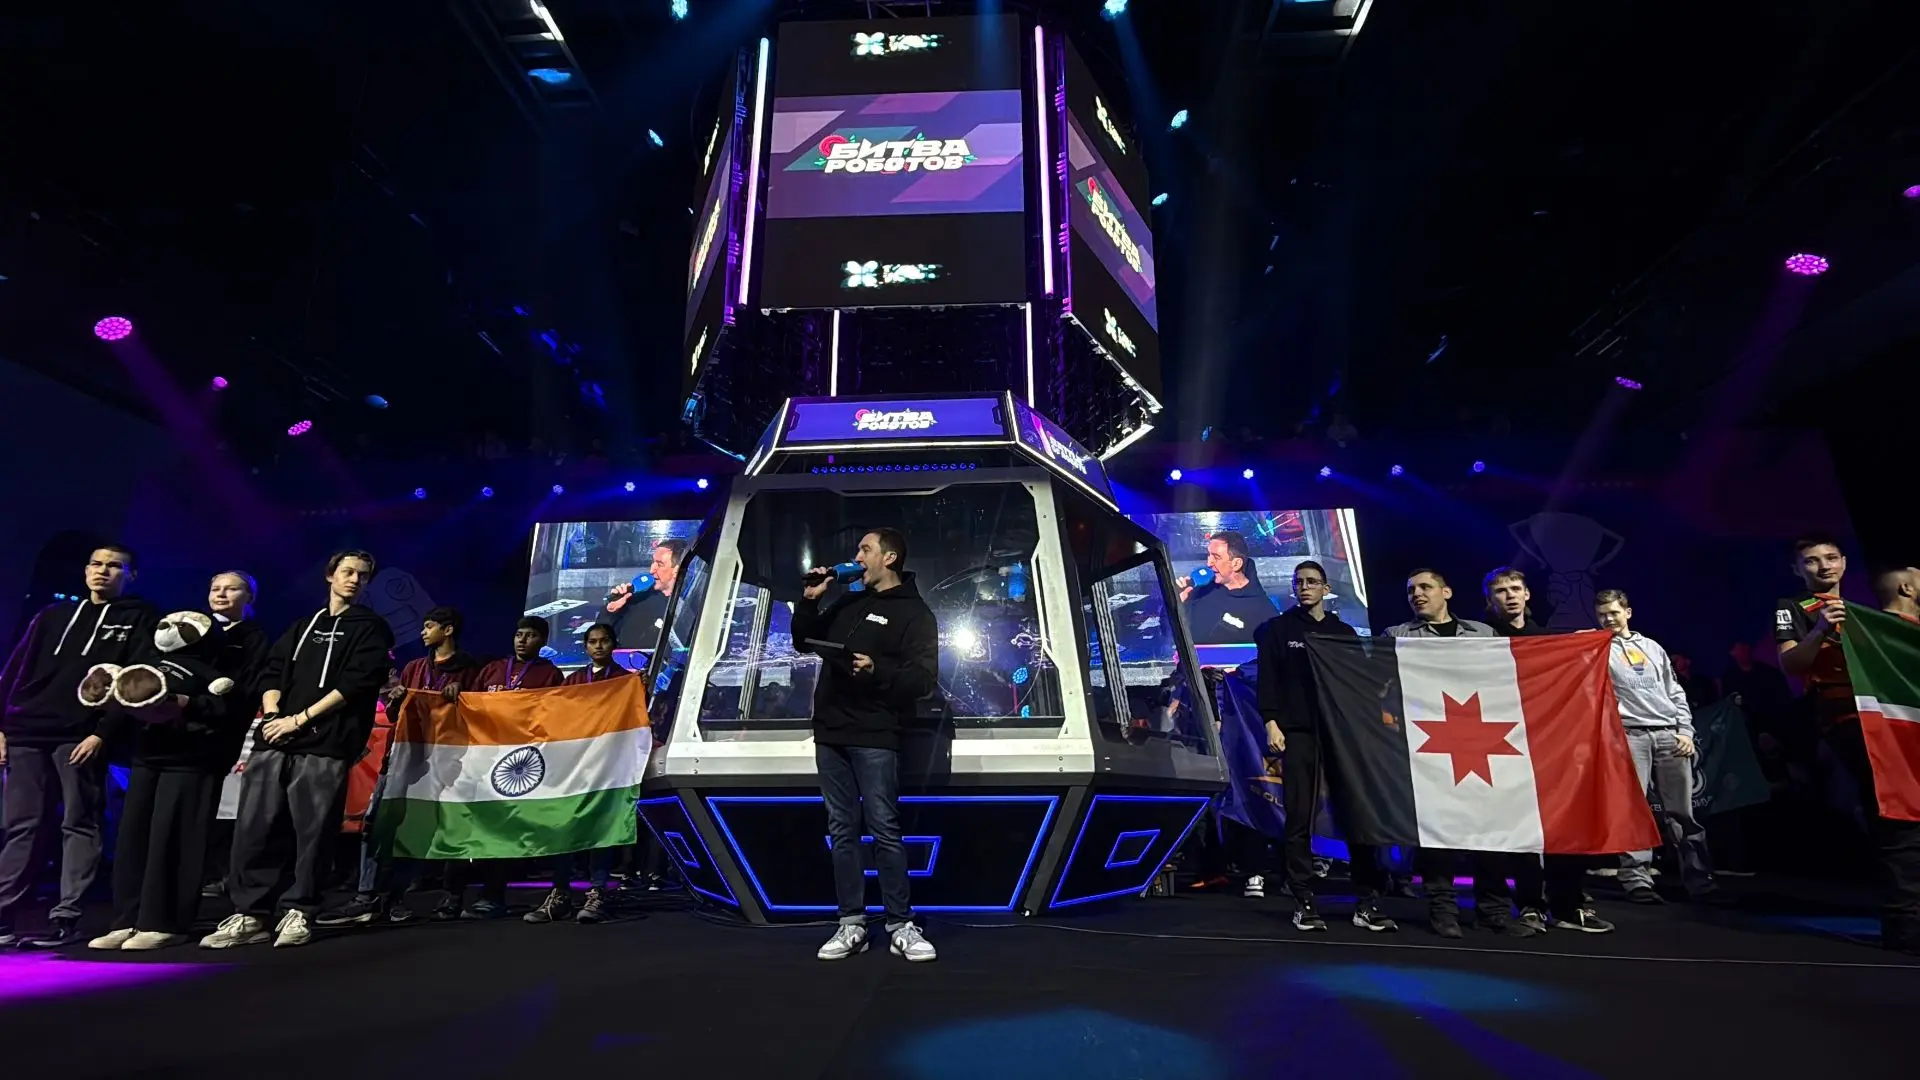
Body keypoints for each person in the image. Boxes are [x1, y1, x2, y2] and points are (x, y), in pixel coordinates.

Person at [202, 550, 394, 949]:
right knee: (255, 828)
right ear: (330, 575)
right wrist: (274, 715)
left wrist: (300, 719)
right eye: (347, 572)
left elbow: (357, 682)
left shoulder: (371, 628)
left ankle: (299, 909)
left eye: (362, 575)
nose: (354, 579)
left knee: (313, 832)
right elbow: (272, 672)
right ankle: (251, 913)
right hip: (275, 738)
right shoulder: (303, 624)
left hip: (326, 742)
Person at [87, 572, 271, 952]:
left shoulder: (251, 641)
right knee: (134, 835)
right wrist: (106, 727)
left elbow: (236, 699)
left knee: (176, 835)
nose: (221, 594)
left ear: (250, 597)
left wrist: (189, 705)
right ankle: (129, 918)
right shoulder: (171, 639)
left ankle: (165, 921)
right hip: (150, 750)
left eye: (232, 588)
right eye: (215, 587)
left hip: (196, 753)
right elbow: (134, 684)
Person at [0, 544, 159, 948]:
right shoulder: (52, 615)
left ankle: (66, 916)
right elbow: (14, 670)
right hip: (25, 731)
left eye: (114, 566)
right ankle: (4, 913)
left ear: (131, 575)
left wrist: (103, 732)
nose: (102, 571)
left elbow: (135, 682)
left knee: (79, 821)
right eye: (95, 564)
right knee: (22, 824)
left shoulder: (139, 617)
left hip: (81, 734)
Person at [794, 528, 940, 963]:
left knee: (884, 830)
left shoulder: (914, 613)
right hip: (831, 732)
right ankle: (851, 922)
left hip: (876, 733)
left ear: (889, 558)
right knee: (842, 830)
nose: (857, 557)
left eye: (865, 549)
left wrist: (878, 671)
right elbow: (803, 641)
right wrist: (810, 600)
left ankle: (900, 924)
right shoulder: (848, 601)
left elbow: (923, 679)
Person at [1775, 537, 1920, 954]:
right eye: (1811, 561)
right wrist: (1822, 629)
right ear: (1797, 569)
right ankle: (1904, 922)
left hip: (1892, 721)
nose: (1824, 566)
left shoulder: (1864, 614)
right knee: (1894, 812)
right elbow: (1790, 663)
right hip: (1848, 720)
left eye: (1831, 558)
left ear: (1843, 562)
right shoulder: (1794, 608)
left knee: (1899, 809)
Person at [318, 607, 484, 928]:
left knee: (418, 828)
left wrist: (462, 698)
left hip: (443, 763)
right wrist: (396, 700)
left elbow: (479, 717)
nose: (423, 632)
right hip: (398, 758)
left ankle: (397, 898)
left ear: (448, 630)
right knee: (375, 823)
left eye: (429, 626)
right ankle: (366, 895)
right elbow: (396, 716)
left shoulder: (469, 670)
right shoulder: (413, 668)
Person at [1254, 560, 1396, 933]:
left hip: (1341, 733)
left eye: (1311, 582)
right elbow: (1268, 680)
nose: (1304, 587)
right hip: (1298, 732)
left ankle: (1366, 901)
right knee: (1299, 816)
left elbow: (1359, 682)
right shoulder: (1277, 629)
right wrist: (1271, 722)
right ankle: (1303, 899)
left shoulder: (1342, 632)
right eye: (1299, 582)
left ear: (1325, 588)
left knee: (1357, 814)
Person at [1386, 569, 1528, 937]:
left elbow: (1504, 682)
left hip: (1482, 741)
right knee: (1438, 832)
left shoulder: (1483, 634)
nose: (1417, 594)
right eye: (1411, 590)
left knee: (1490, 828)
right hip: (1428, 745)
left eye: (1425, 587)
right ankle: (1443, 909)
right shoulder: (1398, 636)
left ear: (1446, 592)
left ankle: (1494, 911)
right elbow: (1382, 688)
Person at [1481, 568, 1614, 934]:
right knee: (1520, 832)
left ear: (1527, 595)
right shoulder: (1480, 643)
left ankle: (1567, 906)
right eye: (1500, 590)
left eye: (1515, 588)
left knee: (1563, 825)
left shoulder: (1548, 641)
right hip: (1502, 747)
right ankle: (1529, 905)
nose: (1509, 595)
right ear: (1489, 600)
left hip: (1550, 747)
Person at [1595, 589, 1719, 903]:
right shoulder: (1597, 648)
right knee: (1633, 810)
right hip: (1630, 736)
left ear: (1628, 612)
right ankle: (1637, 879)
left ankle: (1700, 880)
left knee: (1682, 813)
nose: (1609, 619)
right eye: (1602, 615)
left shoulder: (1652, 647)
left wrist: (1685, 731)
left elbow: (1674, 691)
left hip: (1668, 734)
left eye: (1614, 612)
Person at [526, 622, 631, 926]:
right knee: (565, 827)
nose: (598, 646)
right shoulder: (572, 681)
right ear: (585, 646)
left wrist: (642, 689)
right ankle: (560, 893)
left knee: (601, 829)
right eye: (592, 641)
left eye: (604, 641)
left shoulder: (625, 680)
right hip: (574, 766)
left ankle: (597, 892)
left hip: (608, 766)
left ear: (614, 644)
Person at [1178, 531, 1280, 645]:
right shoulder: (1199, 592)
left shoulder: (1263, 611)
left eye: (1216, 557)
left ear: (1236, 564)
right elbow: (1171, 632)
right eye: (1209, 555)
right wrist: (1177, 602)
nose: (1209, 563)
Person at [607, 538, 686, 653]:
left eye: (659, 564)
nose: (651, 570)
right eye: (653, 562)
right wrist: (610, 612)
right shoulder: (636, 598)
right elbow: (601, 637)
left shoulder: (687, 607)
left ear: (676, 570)